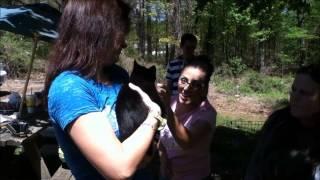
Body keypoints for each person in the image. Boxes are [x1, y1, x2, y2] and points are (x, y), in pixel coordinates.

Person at [45, 0, 162, 179]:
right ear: (96, 31)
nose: (124, 44)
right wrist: (154, 115)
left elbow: (142, 143)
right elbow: (120, 169)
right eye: (120, 34)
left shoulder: (118, 75)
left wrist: (146, 152)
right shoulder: (69, 88)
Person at [245, 64, 320, 180]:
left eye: (304, 93)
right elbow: (255, 168)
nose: (294, 97)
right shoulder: (277, 122)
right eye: (294, 90)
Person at [158, 59, 217, 180]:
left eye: (195, 84)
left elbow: (186, 141)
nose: (186, 88)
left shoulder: (207, 114)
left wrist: (167, 108)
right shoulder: (173, 101)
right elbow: (163, 136)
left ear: (204, 89)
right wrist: (163, 162)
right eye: (183, 80)